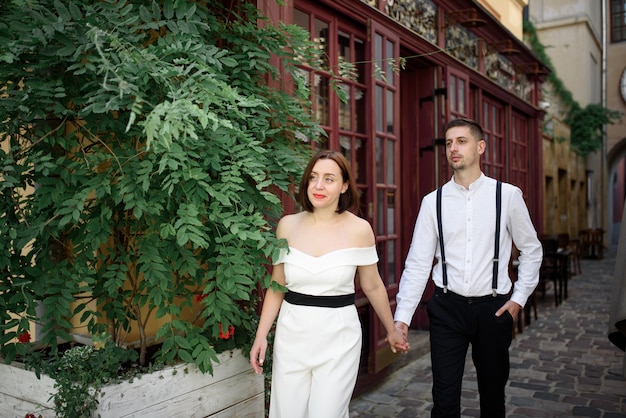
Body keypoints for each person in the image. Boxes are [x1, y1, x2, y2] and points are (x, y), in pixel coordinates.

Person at [394, 118, 543, 417]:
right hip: (447, 308)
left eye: (461, 141)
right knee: (444, 400)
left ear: (480, 147)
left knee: (492, 396)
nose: (453, 148)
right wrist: (402, 319)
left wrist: (518, 298)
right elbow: (418, 263)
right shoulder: (432, 202)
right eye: (449, 143)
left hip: (494, 309)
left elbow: (532, 249)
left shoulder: (507, 195)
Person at [250, 149, 409, 418]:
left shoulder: (360, 229)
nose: (319, 185)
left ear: (344, 185)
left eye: (329, 178)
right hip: (292, 335)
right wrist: (261, 335)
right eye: (313, 177)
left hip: (339, 337)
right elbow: (277, 286)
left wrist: (391, 329)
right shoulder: (287, 225)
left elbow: (372, 285)